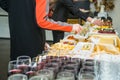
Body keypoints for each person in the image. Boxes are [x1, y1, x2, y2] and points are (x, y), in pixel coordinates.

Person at [0, 0, 83, 60]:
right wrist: (71, 27)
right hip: (32, 50)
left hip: (17, 43)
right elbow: (42, 21)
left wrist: (41, 41)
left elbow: (5, 3)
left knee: (16, 72)